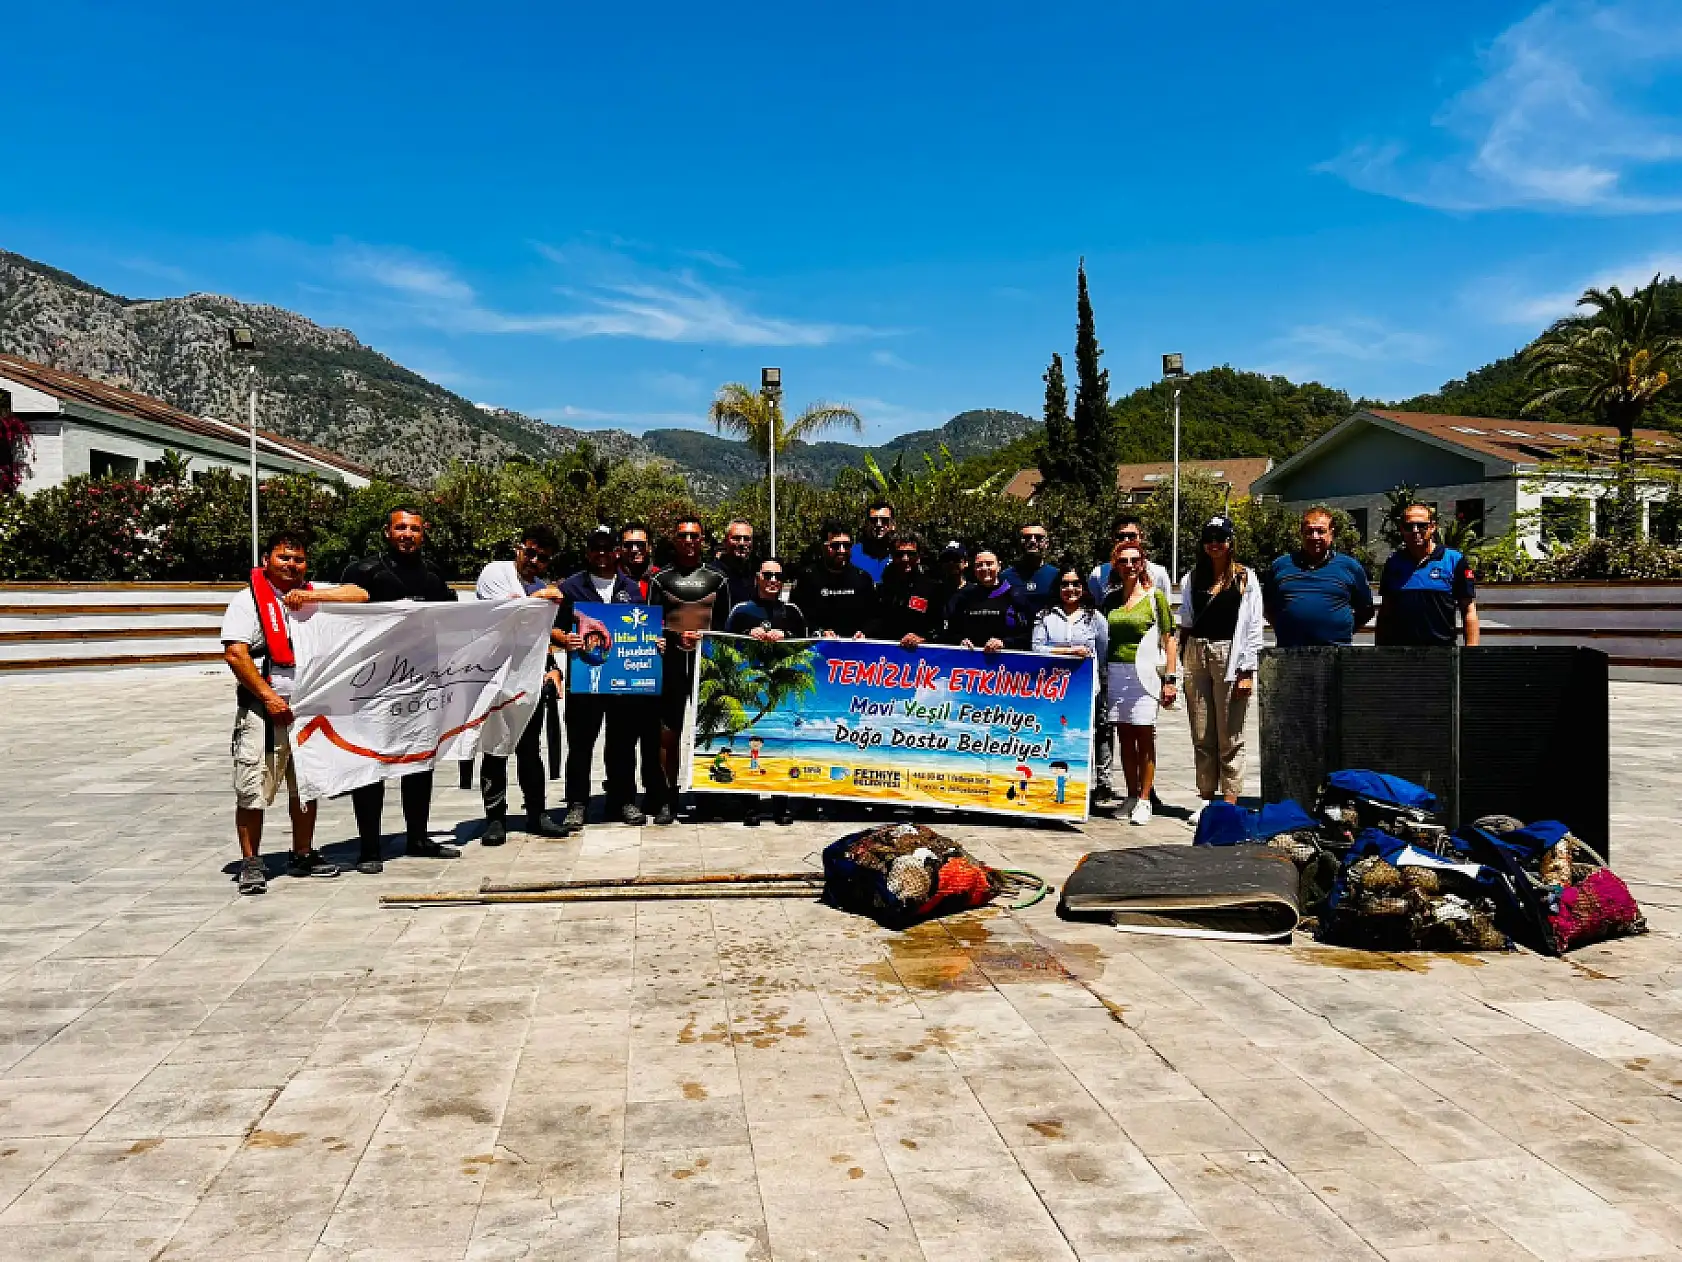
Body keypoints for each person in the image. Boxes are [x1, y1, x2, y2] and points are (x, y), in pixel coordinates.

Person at [221, 530, 369, 894]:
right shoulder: (247, 601)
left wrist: (313, 596)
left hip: (307, 709)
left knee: (305, 785)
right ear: (266, 560)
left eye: (298, 559)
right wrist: (269, 697)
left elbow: (360, 594)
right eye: (283, 557)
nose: (291, 565)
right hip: (264, 709)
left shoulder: (312, 593)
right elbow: (236, 654)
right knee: (253, 786)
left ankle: (302, 853)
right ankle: (251, 861)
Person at [340, 507, 462, 872]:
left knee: (419, 761)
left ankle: (418, 838)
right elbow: (340, 614)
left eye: (414, 529)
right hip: (373, 684)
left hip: (421, 682)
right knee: (371, 763)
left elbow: (454, 621)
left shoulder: (434, 575)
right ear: (387, 531)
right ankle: (369, 848)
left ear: (423, 533)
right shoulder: (362, 571)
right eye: (400, 528)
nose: (407, 534)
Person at [474, 525, 568, 845]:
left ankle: (537, 814)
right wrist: (540, 598)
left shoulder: (540, 587)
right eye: (531, 553)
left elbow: (540, 638)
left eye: (543, 558)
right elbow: (503, 616)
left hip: (527, 679)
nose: (535, 561)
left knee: (530, 750)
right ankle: (495, 818)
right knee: (495, 748)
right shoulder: (496, 573)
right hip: (494, 678)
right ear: (519, 548)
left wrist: (552, 667)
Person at [558, 525, 647, 831]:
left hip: (622, 683)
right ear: (587, 553)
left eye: (607, 548)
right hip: (584, 681)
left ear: (616, 552)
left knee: (622, 744)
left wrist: (654, 643)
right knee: (580, 745)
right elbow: (552, 627)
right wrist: (564, 638)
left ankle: (623, 800)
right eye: (595, 548)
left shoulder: (631, 588)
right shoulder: (570, 588)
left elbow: (641, 630)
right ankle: (577, 803)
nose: (601, 554)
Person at [1178, 515, 1264, 822]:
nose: (1215, 544)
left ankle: (1229, 800)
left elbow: (1253, 626)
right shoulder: (1193, 578)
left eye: (1221, 538)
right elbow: (1186, 620)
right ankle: (1206, 797)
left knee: (1230, 732)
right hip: (1197, 651)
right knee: (1202, 731)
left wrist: (1247, 671)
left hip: (1230, 653)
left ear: (1230, 542)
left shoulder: (1245, 578)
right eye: (1209, 538)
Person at [649, 515, 729, 825]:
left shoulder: (717, 579)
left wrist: (706, 640)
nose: (688, 541)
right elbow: (650, 625)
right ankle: (668, 798)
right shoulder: (661, 580)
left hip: (707, 665)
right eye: (683, 535)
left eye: (694, 535)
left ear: (702, 539)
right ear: (674, 539)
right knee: (668, 734)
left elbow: (726, 628)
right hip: (671, 664)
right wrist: (672, 638)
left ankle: (709, 795)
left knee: (711, 732)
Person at [1098, 545, 1178, 825]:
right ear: (1116, 565)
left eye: (1134, 560)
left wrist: (1170, 679)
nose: (1129, 565)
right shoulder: (1110, 600)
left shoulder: (1155, 598)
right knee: (1124, 736)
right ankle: (1131, 795)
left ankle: (1145, 798)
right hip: (1116, 672)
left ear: (1142, 563)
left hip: (1145, 673)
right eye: (1123, 561)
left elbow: (1169, 639)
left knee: (1144, 734)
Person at [724, 557, 806, 827]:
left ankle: (781, 805)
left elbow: (807, 648)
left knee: (782, 745)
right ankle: (750, 807)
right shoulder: (741, 611)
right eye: (767, 575)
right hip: (750, 692)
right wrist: (748, 634)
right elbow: (723, 646)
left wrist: (787, 637)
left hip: (782, 693)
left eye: (778, 576)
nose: (773, 581)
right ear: (757, 578)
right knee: (750, 744)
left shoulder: (793, 612)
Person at [1032, 563, 1109, 810]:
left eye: (1075, 584)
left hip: (1086, 689)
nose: (1070, 589)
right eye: (1065, 584)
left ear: (1083, 587)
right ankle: (1053, 787)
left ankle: (1094, 786)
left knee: (1090, 736)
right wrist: (1069, 652)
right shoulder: (1045, 616)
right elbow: (1037, 648)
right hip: (1053, 690)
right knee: (1056, 736)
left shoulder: (1095, 617)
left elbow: (1102, 652)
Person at [1264, 508, 1376, 648]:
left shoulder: (1350, 567)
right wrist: (1285, 630)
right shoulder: (1280, 566)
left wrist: (1342, 630)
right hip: (1290, 653)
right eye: (1309, 531)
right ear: (1301, 533)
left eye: (1321, 531)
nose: (1315, 537)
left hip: (1336, 653)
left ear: (1331, 533)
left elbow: (1366, 610)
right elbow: (1267, 607)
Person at [1375, 504, 1481, 647]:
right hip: (1401, 653)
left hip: (1442, 653)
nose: (1415, 531)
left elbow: (1468, 610)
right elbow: (1385, 613)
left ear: (1432, 527)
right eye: (1409, 526)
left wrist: (1471, 653)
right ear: (1402, 529)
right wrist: (1379, 652)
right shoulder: (1393, 562)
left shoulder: (1454, 560)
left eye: (1421, 526)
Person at [617, 521, 665, 816]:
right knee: (620, 741)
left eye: (640, 544)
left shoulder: (661, 578)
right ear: (620, 549)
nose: (635, 549)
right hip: (619, 675)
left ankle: (655, 795)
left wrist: (667, 638)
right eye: (628, 545)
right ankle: (622, 797)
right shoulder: (611, 579)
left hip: (654, 670)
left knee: (653, 740)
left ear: (649, 548)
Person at [799, 522, 877, 638]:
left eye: (847, 545)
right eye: (835, 546)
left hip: (854, 646)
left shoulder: (863, 578)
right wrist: (819, 632)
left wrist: (864, 632)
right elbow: (798, 618)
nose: (842, 550)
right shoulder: (807, 577)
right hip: (818, 645)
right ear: (823, 547)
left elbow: (874, 617)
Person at [942, 548, 1031, 651]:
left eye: (989, 564)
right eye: (979, 565)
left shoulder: (1015, 596)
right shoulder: (964, 597)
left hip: (1005, 659)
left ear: (999, 566)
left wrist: (1004, 643)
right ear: (974, 569)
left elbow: (1027, 635)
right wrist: (960, 641)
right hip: (970, 658)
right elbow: (951, 631)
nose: (984, 568)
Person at [872, 534, 943, 647]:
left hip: (920, 652)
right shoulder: (882, 588)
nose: (905, 559)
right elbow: (875, 621)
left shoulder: (932, 588)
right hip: (886, 651)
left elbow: (939, 627)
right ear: (892, 556)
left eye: (911, 554)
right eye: (899, 554)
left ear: (918, 557)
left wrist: (922, 638)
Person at [1088, 515, 1173, 601]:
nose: (1126, 540)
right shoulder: (1098, 574)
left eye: (1131, 536)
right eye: (1120, 536)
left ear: (1141, 537)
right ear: (1112, 539)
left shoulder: (1159, 573)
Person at [1001, 520, 1060, 614]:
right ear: (1020, 542)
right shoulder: (1005, 578)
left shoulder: (1057, 576)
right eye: (1027, 537)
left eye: (1038, 538)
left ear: (1046, 543)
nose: (1032, 541)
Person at [708, 517, 758, 613]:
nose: (742, 543)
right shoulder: (711, 573)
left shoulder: (756, 575)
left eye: (746, 539)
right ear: (725, 541)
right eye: (736, 538)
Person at [850, 500, 896, 581]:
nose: (878, 524)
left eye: (884, 520)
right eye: (873, 520)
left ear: (893, 524)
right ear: (867, 524)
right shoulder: (852, 553)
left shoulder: (900, 554)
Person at [932, 540, 969, 617]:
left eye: (955, 559)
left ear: (965, 563)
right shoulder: (932, 593)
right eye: (946, 559)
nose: (951, 563)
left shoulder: (974, 592)